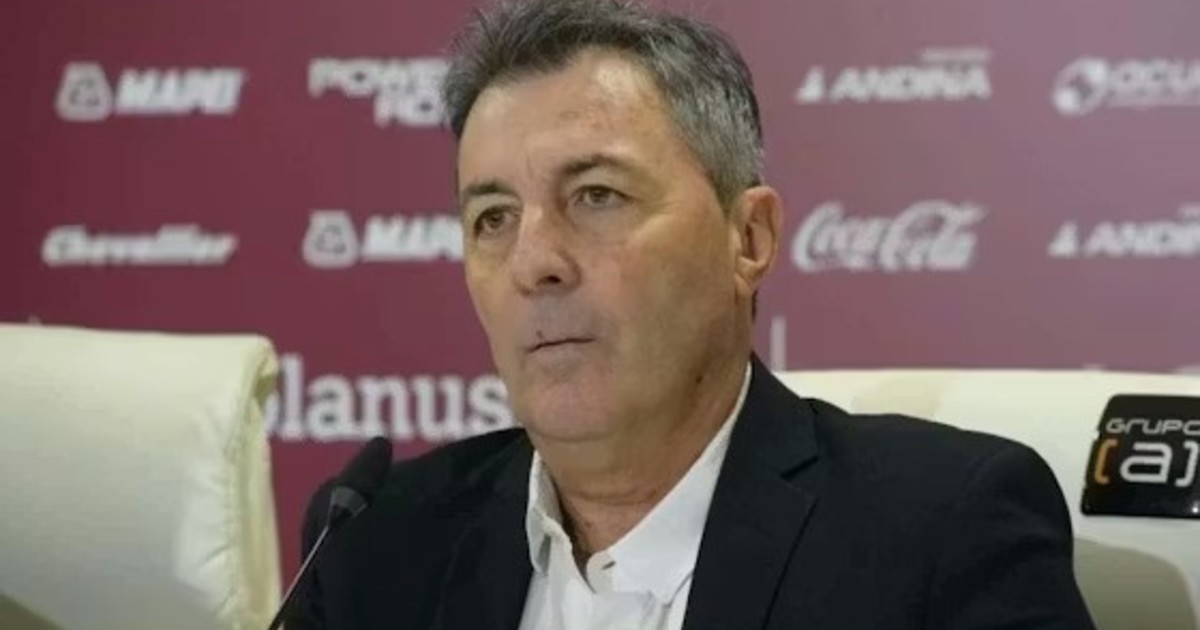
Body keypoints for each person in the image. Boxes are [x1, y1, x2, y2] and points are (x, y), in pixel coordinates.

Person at [288, 0, 1097, 628]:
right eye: (493, 217)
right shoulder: (375, 545)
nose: (534, 263)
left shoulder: (941, 532)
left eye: (596, 196)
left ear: (749, 239)